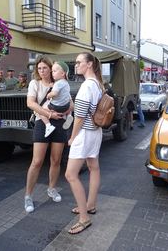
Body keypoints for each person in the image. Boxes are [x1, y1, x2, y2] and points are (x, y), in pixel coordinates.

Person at [24, 56, 70, 213]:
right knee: (37, 162)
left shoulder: (59, 83)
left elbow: (70, 102)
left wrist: (65, 112)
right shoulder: (34, 83)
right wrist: (49, 115)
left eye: (44, 68)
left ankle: (51, 189)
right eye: (39, 68)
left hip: (59, 124)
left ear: (51, 68)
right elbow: (31, 103)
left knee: (56, 160)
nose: (41, 71)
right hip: (42, 123)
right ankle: (28, 196)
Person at [65, 52, 103, 235]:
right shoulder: (97, 83)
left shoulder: (86, 85)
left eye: (79, 62)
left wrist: (72, 137)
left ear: (89, 64)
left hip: (85, 133)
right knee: (93, 167)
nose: (76, 65)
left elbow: (79, 117)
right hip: (96, 131)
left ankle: (84, 218)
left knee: (71, 174)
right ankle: (90, 205)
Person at [39, 61, 73, 137]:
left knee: (40, 110)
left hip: (57, 107)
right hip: (66, 106)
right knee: (66, 99)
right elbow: (64, 93)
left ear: (62, 73)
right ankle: (69, 115)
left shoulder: (58, 83)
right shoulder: (66, 83)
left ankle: (48, 126)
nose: (52, 73)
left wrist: (49, 95)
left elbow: (55, 93)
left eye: (54, 71)